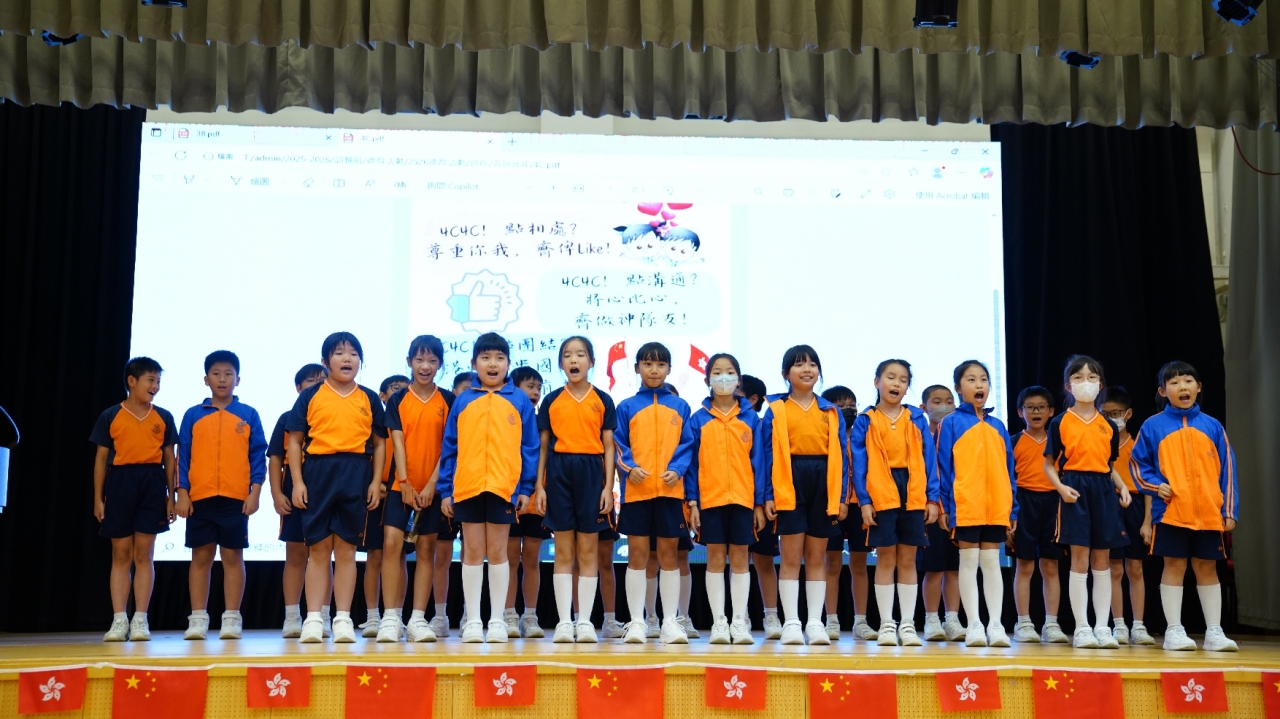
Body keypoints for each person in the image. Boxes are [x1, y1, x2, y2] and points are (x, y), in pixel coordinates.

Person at [287, 332, 387, 643]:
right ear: (325, 361)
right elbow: (295, 441)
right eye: (340, 353)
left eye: (354, 354)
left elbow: (379, 443)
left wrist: (376, 481)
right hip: (318, 471)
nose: (347, 359)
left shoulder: (368, 398)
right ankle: (314, 619)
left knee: (346, 550)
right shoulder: (310, 396)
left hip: (356, 471)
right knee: (318, 549)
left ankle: (343, 619)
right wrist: (298, 481)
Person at [438, 333, 539, 643]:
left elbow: (530, 447)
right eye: (485, 358)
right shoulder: (463, 400)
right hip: (467, 487)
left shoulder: (519, 400)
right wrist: (446, 490)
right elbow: (450, 447)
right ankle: (472, 621)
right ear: (474, 363)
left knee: (497, 553)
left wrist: (526, 488)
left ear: (508, 363)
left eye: (499, 358)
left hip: (503, 488)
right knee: (471, 552)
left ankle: (496, 620)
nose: (492, 364)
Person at [1132, 361, 1239, 652]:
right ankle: (1174, 631)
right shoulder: (1152, 426)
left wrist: (1229, 510)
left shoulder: (1213, 426)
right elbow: (1138, 465)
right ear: (1162, 391)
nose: (1183, 387)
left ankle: (1214, 631)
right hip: (1171, 512)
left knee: (1207, 566)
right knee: (1174, 565)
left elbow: (1228, 469)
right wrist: (1156, 485)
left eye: (1188, 381)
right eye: (1175, 382)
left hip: (1208, 512)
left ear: (1198, 387)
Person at [760, 345, 849, 646]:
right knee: (790, 556)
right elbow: (766, 455)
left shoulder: (830, 411)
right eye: (799, 365)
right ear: (786, 373)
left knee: (816, 556)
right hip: (788, 481)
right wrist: (767, 495)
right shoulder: (776, 409)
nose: (807, 369)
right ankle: (791, 623)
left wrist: (842, 496)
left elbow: (841, 455)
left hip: (823, 482)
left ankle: (814, 622)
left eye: (812, 364)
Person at [177, 350, 267, 641]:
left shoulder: (248, 414)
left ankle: (231, 618)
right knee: (201, 557)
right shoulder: (193, 415)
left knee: (232, 556)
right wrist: (182, 493)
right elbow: (183, 457)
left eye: (229, 374)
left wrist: (255, 492)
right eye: (216, 373)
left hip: (235, 498)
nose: (222, 379)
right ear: (206, 379)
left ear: (238, 379)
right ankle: (197, 619)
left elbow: (258, 457)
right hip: (200, 498)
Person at [1043, 354, 1132, 649]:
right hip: (1075, 488)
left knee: (1102, 560)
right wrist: (1060, 488)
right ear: (1068, 385)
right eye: (1079, 377)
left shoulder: (1108, 425)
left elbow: (1109, 465)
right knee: (1079, 559)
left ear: (1100, 384)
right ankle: (1082, 628)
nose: (1086, 382)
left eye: (1092, 377)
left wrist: (1122, 487)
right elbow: (1049, 464)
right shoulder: (1060, 422)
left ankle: (1102, 628)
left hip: (1103, 489)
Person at [532, 337, 617, 643]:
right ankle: (564, 623)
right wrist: (539, 486)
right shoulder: (552, 400)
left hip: (592, 474)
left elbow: (609, 446)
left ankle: (585, 622)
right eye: (567, 355)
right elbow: (543, 446)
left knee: (588, 550)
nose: (574, 360)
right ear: (560, 363)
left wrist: (608, 486)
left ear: (591, 361)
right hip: (559, 473)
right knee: (564, 551)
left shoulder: (603, 399)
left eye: (580, 354)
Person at [92, 357, 178, 642]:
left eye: (158, 381)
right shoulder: (111, 415)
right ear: (132, 381)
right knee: (121, 554)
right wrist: (98, 498)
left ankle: (140, 619)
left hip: (152, 483)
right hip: (120, 482)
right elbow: (101, 459)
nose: (155, 386)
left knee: (144, 554)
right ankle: (119, 620)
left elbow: (169, 459)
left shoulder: (163, 416)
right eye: (150, 380)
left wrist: (171, 496)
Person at [614, 342, 695, 644]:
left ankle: (670, 622)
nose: (654, 370)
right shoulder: (626, 406)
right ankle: (637, 622)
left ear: (669, 369)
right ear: (637, 368)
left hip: (670, 492)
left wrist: (678, 468)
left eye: (660, 364)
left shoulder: (681, 406)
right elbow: (619, 444)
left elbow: (687, 443)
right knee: (637, 556)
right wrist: (630, 467)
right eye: (647, 364)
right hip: (637, 492)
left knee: (669, 556)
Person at [853, 360, 938, 647]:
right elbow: (859, 464)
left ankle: (908, 625)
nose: (897, 383)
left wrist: (932, 498)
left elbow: (929, 460)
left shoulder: (916, 419)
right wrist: (865, 501)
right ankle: (887, 624)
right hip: (881, 494)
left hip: (912, 492)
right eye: (891, 377)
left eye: (903, 380)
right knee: (886, 558)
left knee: (908, 560)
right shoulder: (866, 420)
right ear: (877, 382)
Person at [376, 336, 455, 643]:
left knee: (426, 550)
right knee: (392, 545)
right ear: (409, 362)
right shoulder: (398, 399)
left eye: (432, 361)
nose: (425, 366)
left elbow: (448, 447)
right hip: (402, 487)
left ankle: (418, 619)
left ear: (440, 364)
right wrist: (405, 482)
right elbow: (397, 443)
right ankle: (390, 618)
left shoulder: (447, 400)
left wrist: (433, 484)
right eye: (420, 360)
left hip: (434, 489)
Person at [936, 360, 1017, 648]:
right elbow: (942, 467)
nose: (979, 384)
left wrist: (1012, 507)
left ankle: (996, 624)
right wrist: (944, 507)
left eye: (983, 379)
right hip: (965, 505)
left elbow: (1009, 470)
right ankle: (974, 624)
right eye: (971, 379)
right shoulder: (950, 423)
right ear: (958, 388)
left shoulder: (998, 426)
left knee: (992, 563)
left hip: (996, 507)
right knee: (968, 563)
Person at [687, 353, 762, 645]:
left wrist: (759, 502)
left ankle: (739, 621)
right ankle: (719, 621)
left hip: (743, 499)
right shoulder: (698, 419)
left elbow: (760, 463)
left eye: (729, 372)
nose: (723, 378)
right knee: (716, 558)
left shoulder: (751, 418)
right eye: (716, 372)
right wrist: (693, 502)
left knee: (741, 558)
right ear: (707, 379)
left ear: (738, 379)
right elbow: (691, 465)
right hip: (711, 500)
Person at [267, 363, 329, 638]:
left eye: (322, 380)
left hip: (325, 485)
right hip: (293, 486)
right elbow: (275, 459)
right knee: (295, 554)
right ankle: (292, 616)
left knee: (323, 554)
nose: (317, 385)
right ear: (298, 387)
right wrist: (277, 493)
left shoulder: (331, 415)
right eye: (311, 381)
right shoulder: (287, 418)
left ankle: (323, 616)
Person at [1008, 386, 1069, 644]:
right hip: (1024, 503)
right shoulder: (1013, 442)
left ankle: (1051, 624)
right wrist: (1009, 516)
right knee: (1024, 565)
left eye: (1041, 407)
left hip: (1053, 503)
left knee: (1051, 566)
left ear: (1051, 411)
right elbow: (1007, 481)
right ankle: (1023, 623)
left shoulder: (1059, 442)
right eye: (1030, 407)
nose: (1036, 412)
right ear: (1020, 412)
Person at [820, 385, 877, 641]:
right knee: (831, 564)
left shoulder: (864, 435)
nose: (849, 410)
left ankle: (860, 622)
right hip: (833, 505)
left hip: (860, 506)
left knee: (859, 565)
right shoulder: (826, 437)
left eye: (852, 405)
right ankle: (831, 621)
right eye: (841, 406)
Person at [356, 374, 408, 637]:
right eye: (394, 389)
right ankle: (373, 617)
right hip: (375, 495)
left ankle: (395, 615)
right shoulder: (373, 425)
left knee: (399, 555)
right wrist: (375, 484)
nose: (399, 394)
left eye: (404, 390)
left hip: (402, 494)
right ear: (383, 396)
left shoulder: (407, 424)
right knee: (374, 555)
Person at [1102, 387, 1154, 646]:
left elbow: (1148, 488)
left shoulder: (1139, 446)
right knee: (1114, 568)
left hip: (1135, 506)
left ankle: (1139, 626)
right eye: (1106, 414)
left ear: (1128, 414)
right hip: (1110, 505)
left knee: (1135, 568)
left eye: (1116, 413)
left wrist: (1147, 522)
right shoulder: (1101, 446)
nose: (1112, 418)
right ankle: (1119, 625)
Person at [505, 365, 549, 638]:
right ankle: (509, 615)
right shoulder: (507, 416)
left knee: (531, 558)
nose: (535, 392)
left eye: (538, 388)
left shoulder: (543, 422)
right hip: (509, 496)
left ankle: (530, 616)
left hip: (535, 500)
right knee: (509, 559)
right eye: (529, 386)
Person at [917, 384, 963, 642]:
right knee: (934, 568)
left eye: (949, 401)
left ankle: (952, 619)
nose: (944, 406)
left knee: (954, 568)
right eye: (937, 401)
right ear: (924, 407)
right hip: (932, 510)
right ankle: (932, 619)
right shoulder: (920, 437)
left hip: (958, 509)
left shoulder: (958, 435)